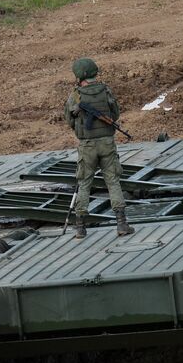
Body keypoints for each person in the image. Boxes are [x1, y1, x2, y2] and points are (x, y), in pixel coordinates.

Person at [64, 58, 132, 239]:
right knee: (112, 181)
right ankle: (122, 224)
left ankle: (80, 227)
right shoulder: (105, 90)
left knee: (84, 183)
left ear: (79, 76)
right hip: (107, 143)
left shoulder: (75, 96)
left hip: (87, 145)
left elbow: (69, 121)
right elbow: (115, 113)